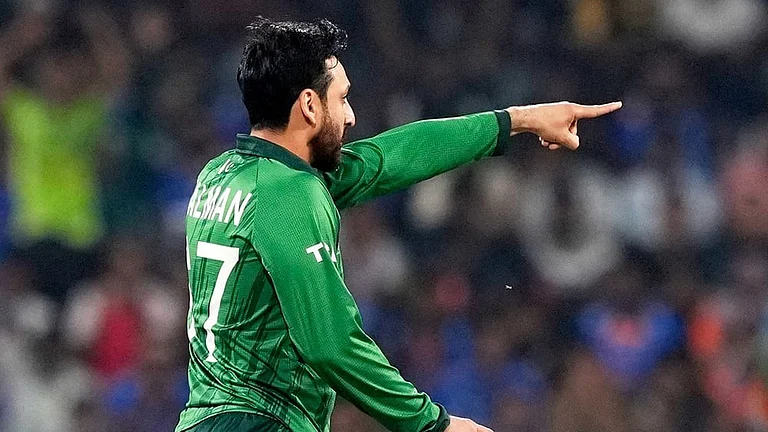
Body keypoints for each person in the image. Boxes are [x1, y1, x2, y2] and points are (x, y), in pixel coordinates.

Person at [177, 17, 621, 432]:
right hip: (263, 422)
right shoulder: (290, 194)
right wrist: (433, 424)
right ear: (309, 105)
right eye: (343, 98)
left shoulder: (221, 174)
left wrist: (518, 120)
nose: (350, 117)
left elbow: (392, 156)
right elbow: (330, 343)